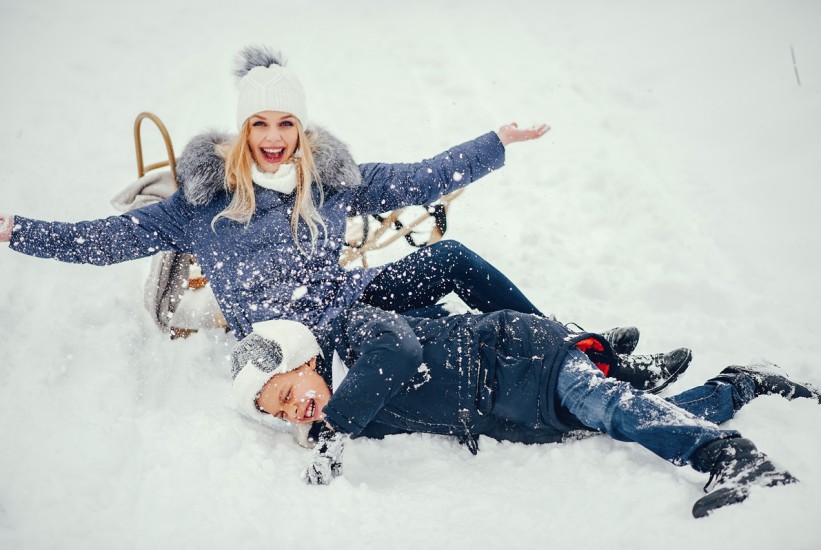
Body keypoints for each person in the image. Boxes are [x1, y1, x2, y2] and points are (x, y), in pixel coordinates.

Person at [0, 45, 685, 388]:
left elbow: (417, 178)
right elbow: (102, 241)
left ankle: (580, 352)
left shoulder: (327, 181)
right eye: (259, 123)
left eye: (286, 122)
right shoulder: (202, 203)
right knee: (458, 340)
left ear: (301, 127)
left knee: (451, 260)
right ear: (243, 130)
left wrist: (493, 143)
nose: (273, 135)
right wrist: (12, 229)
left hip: (347, 299)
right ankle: (575, 374)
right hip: (302, 343)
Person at [230, 306, 820, 518]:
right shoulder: (354, 411)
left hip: (523, 358)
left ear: (303, 358)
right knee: (630, 421)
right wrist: (323, 435)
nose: (295, 411)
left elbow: (402, 350)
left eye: (286, 395)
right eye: (281, 416)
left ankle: (733, 458)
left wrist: (333, 429)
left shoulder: (356, 334)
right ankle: (739, 387)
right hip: (520, 414)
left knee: (609, 405)